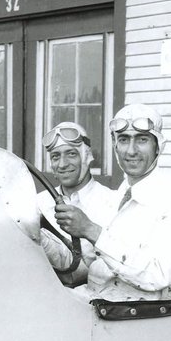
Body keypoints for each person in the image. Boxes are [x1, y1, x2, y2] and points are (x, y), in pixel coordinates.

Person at [54, 102, 171, 302]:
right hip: (94, 301)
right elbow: (93, 262)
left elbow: (158, 275)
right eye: (124, 140)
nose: (131, 151)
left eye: (142, 140)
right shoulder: (123, 192)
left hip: (133, 316)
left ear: (158, 146)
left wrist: (91, 230)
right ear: (115, 145)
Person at [35, 121, 117, 284]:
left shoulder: (112, 202)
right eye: (56, 156)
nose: (63, 164)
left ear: (86, 156)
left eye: (71, 154)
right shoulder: (39, 202)